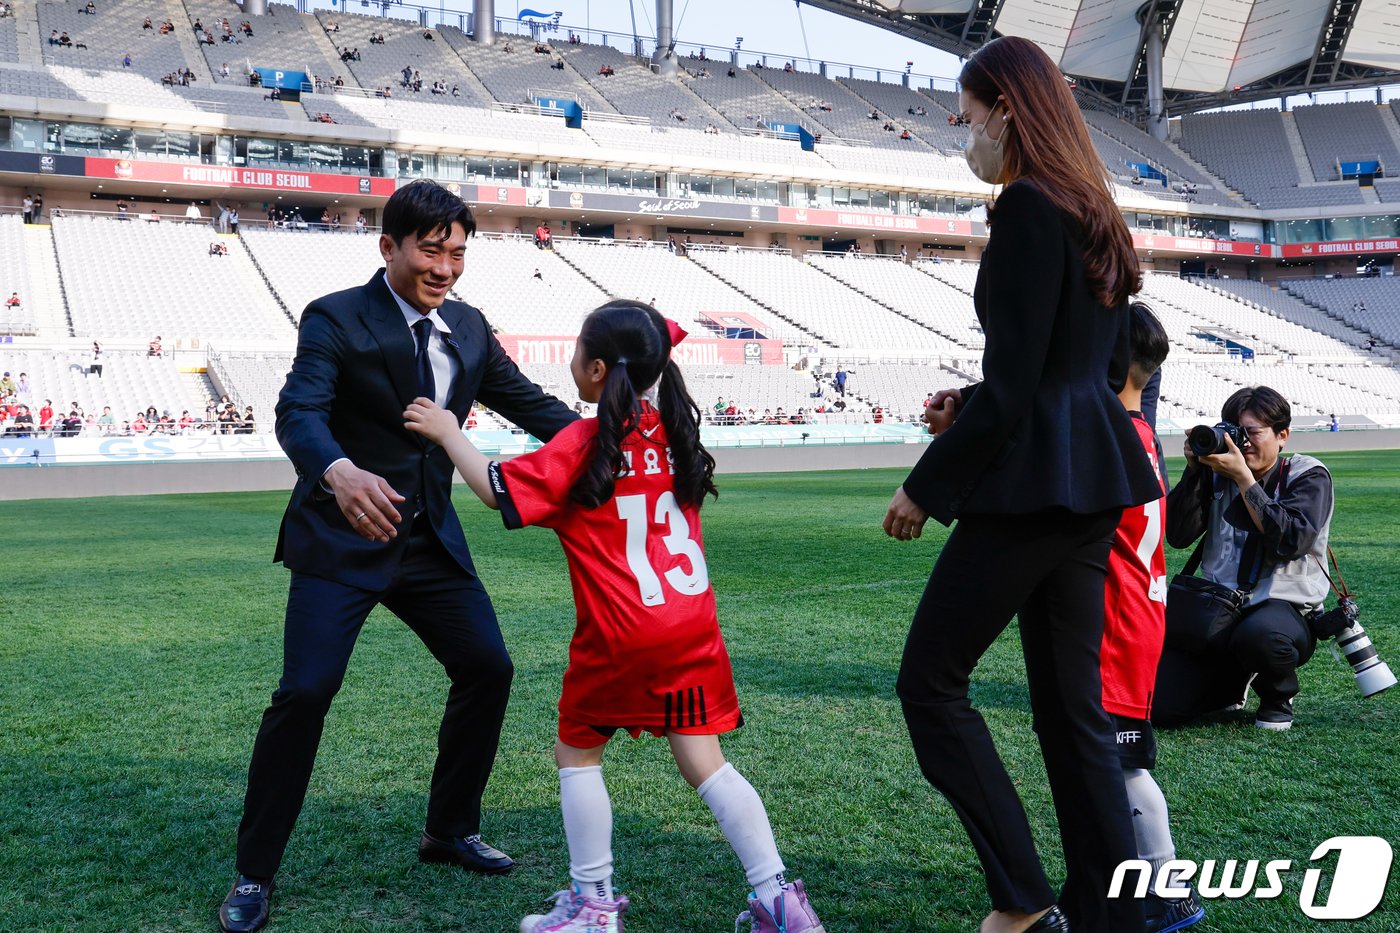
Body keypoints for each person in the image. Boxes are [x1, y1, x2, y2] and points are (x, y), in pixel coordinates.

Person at [217, 180, 578, 933]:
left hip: (428, 542)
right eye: (431, 249)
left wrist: (626, 439)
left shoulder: (471, 329)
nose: (446, 266)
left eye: (457, 251)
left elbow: (537, 407)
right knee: (306, 692)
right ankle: (254, 872)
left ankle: (448, 829)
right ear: (390, 248)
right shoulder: (335, 316)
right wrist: (337, 471)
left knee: (489, 667)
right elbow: (299, 411)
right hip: (341, 537)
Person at [403, 301, 825, 933]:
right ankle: (779, 898)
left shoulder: (585, 443)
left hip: (622, 633)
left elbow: (495, 490)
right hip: (691, 627)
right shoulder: (677, 430)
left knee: (577, 754)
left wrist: (447, 431)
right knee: (705, 762)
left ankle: (592, 904)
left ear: (597, 369)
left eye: (578, 352)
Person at [881, 36, 1160, 933]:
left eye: (966, 115)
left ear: (1006, 107)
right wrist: (971, 398)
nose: (962, 132)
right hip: (1094, 480)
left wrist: (924, 486)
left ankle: (1024, 901)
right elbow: (1073, 366)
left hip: (1036, 486)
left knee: (931, 683)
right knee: (1072, 714)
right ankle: (1110, 913)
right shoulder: (1091, 207)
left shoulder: (1029, 207)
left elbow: (1021, 388)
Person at [1101, 304, 1205, 933]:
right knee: (1111, 757)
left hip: (1120, 620)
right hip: (1139, 609)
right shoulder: (1140, 431)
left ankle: (1168, 886)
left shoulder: (1112, 434)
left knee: (1124, 760)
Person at [1152, 386, 1335, 731]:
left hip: (1282, 609)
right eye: (1235, 433)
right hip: (1218, 607)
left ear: (1283, 435)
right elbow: (1178, 536)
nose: (1242, 443)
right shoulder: (1216, 474)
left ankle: (1277, 694)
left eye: (1252, 432)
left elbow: (1291, 541)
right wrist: (1194, 472)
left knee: (1263, 638)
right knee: (1162, 707)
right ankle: (1231, 683)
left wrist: (1243, 479)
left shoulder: (1307, 475)